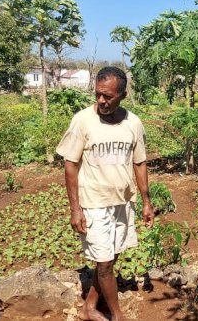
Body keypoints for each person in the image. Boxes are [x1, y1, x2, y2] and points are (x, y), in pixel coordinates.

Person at [56, 66, 155, 321]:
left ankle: (89, 307)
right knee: (105, 264)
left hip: (122, 201)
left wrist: (146, 202)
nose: (101, 101)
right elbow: (70, 164)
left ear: (122, 94)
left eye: (108, 96)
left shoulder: (133, 123)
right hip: (94, 203)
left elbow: (140, 163)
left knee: (111, 258)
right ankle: (117, 315)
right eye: (98, 94)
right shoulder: (83, 120)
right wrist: (75, 209)